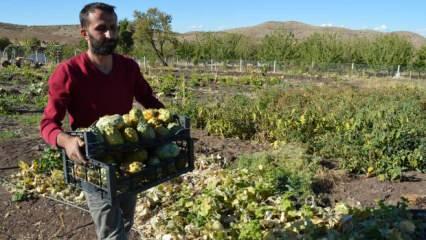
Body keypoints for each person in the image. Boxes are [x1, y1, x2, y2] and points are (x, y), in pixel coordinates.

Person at [39, 2, 164, 239]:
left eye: (114, 28)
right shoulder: (68, 72)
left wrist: (170, 122)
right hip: (93, 162)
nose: (110, 34)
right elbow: (48, 123)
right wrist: (65, 141)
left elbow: (149, 100)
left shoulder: (128, 67)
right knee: (112, 232)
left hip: (128, 156)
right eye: (102, 28)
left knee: (126, 220)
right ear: (84, 33)